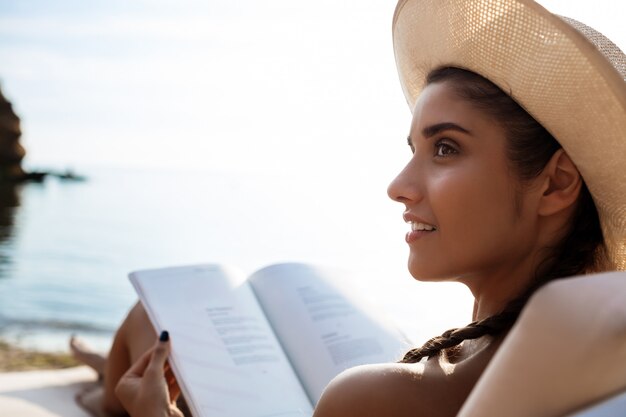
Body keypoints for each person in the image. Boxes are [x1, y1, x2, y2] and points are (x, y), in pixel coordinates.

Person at [80, 0, 626, 416]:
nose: (399, 186)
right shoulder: (593, 353)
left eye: (445, 148)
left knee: (151, 322)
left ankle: (100, 393)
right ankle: (97, 377)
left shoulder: (374, 398)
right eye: (413, 150)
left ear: (555, 184)